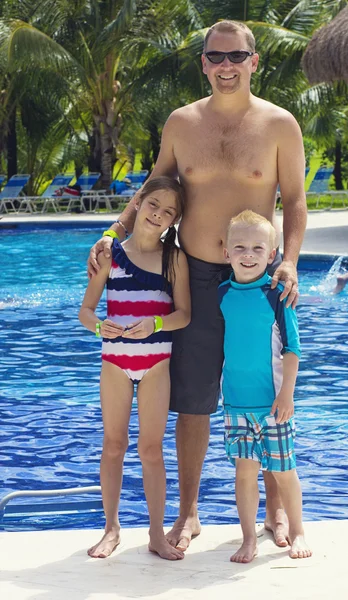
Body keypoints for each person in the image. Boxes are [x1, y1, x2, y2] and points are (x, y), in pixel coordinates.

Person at [87, 20, 308, 551]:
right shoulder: (182, 123)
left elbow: (296, 201)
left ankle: (275, 513)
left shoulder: (280, 125)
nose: (226, 66)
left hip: (257, 281)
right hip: (193, 273)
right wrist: (113, 232)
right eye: (216, 57)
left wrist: (292, 262)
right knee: (193, 399)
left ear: (254, 61)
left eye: (237, 56)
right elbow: (155, 187)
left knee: (261, 394)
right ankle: (188, 513)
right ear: (204, 63)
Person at [79, 176, 191, 560]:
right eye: (153, 205)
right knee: (114, 445)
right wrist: (98, 326)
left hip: (156, 364)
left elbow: (184, 315)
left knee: (151, 449)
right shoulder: (111, 255)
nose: (158, 215)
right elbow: (86, 310)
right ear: (139, 203)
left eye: (168, 212)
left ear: (174, 221)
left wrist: (155, 324)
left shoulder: (174, 259)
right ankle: (111, 528)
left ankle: (156, 534)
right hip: (115, 363)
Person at [219, 210, 311, 562]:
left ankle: (299, 528)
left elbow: (292, 349)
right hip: (236, 405)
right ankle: (248, 538)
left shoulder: (277, 294)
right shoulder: (222, 294)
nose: (248, 254)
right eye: (239, 247)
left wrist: (287, 393)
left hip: (274, 404)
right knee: (245, 474)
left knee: (284, 472)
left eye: (258, 248)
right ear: (226, 253)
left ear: (271, 255)